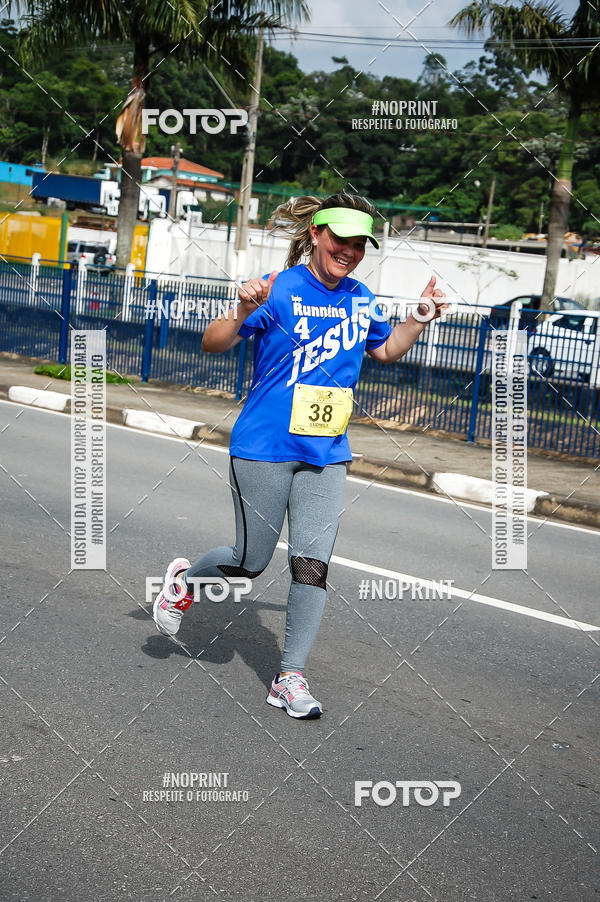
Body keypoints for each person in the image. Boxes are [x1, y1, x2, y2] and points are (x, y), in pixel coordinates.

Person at [153, 192, 448, 719]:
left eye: (360, 245)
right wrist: (243, 309)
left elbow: (384, 349)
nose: (350, 252)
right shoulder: (279, 288)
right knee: (249, 562)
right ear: (316, 234)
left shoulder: (361, 298)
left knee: (311, 566)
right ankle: (183, 583)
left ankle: (289, 677)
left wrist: (420, 318)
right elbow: (212, 343)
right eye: (341, 241)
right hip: (264, 447)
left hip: (328, 451)